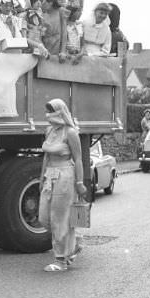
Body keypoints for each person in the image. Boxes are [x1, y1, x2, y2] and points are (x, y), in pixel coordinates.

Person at [38, 98, 88, 271]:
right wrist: (42, 177)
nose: (49, 115)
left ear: (61, 112)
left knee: (60, 219)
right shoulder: (49, 131)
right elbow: (46, 156)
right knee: (44, 218)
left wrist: (80, 182)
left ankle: (60, 260)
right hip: (50, 175)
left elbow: (79, 158)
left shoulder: (71, 132)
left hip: (65, 176)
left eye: (53, 110)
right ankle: (74, 244)